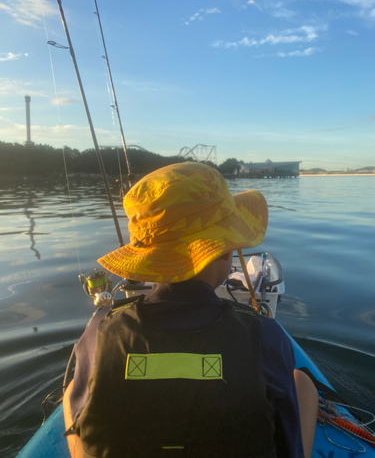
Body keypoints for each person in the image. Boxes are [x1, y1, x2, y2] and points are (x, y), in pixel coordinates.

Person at [63, 161, 318, 458]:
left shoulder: (100, 329)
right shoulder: (265, 334)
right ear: (224, 248)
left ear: (149, 259)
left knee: (71, 394)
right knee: (304, 384)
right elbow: (288, 446)